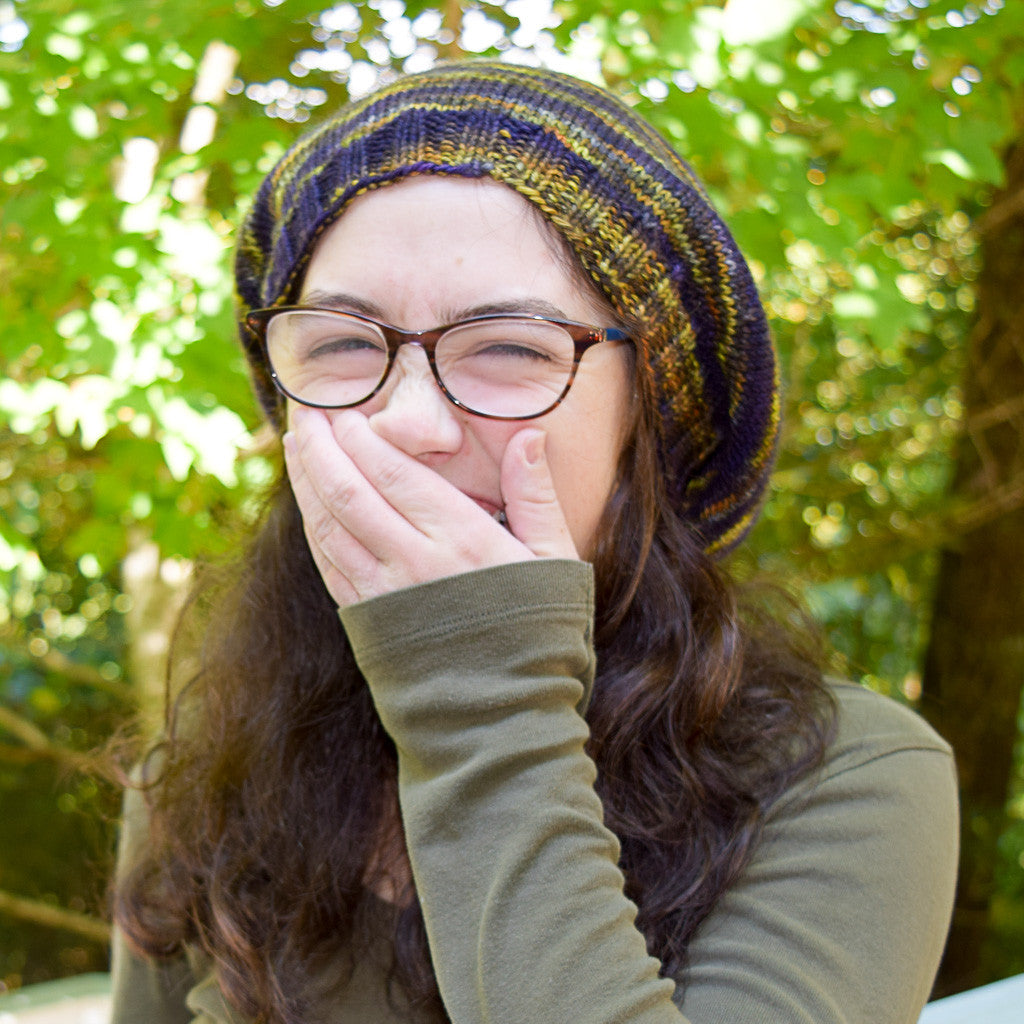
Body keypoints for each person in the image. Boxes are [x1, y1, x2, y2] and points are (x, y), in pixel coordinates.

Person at [109, 60, 958, 1024]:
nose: (410, 423)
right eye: (343, 344)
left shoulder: (844, 777)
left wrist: (480, 701)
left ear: (649, 418)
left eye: (510, 347)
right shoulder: (204, 768)